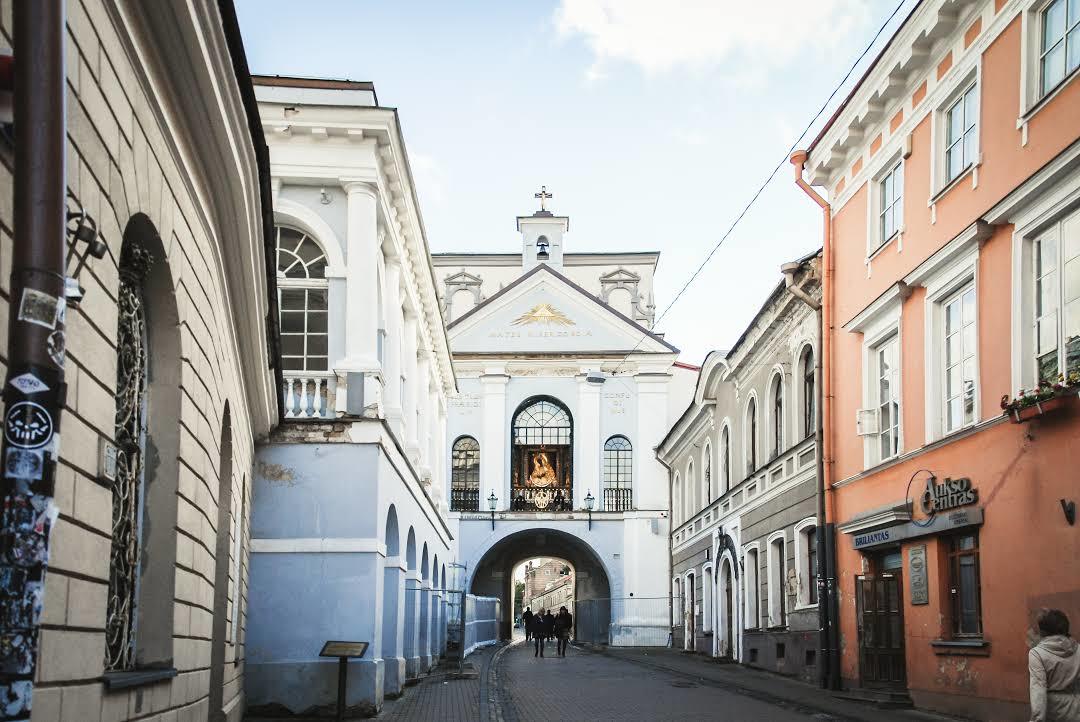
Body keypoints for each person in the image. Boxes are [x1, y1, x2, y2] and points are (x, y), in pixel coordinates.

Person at [1029, 608, 1080, 721]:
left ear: (1043, 631)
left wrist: (1037, 719)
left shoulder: (1037, 654)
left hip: (1053, 711)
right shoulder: (1078, 649)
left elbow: (1038, 689)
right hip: (1076, 710)